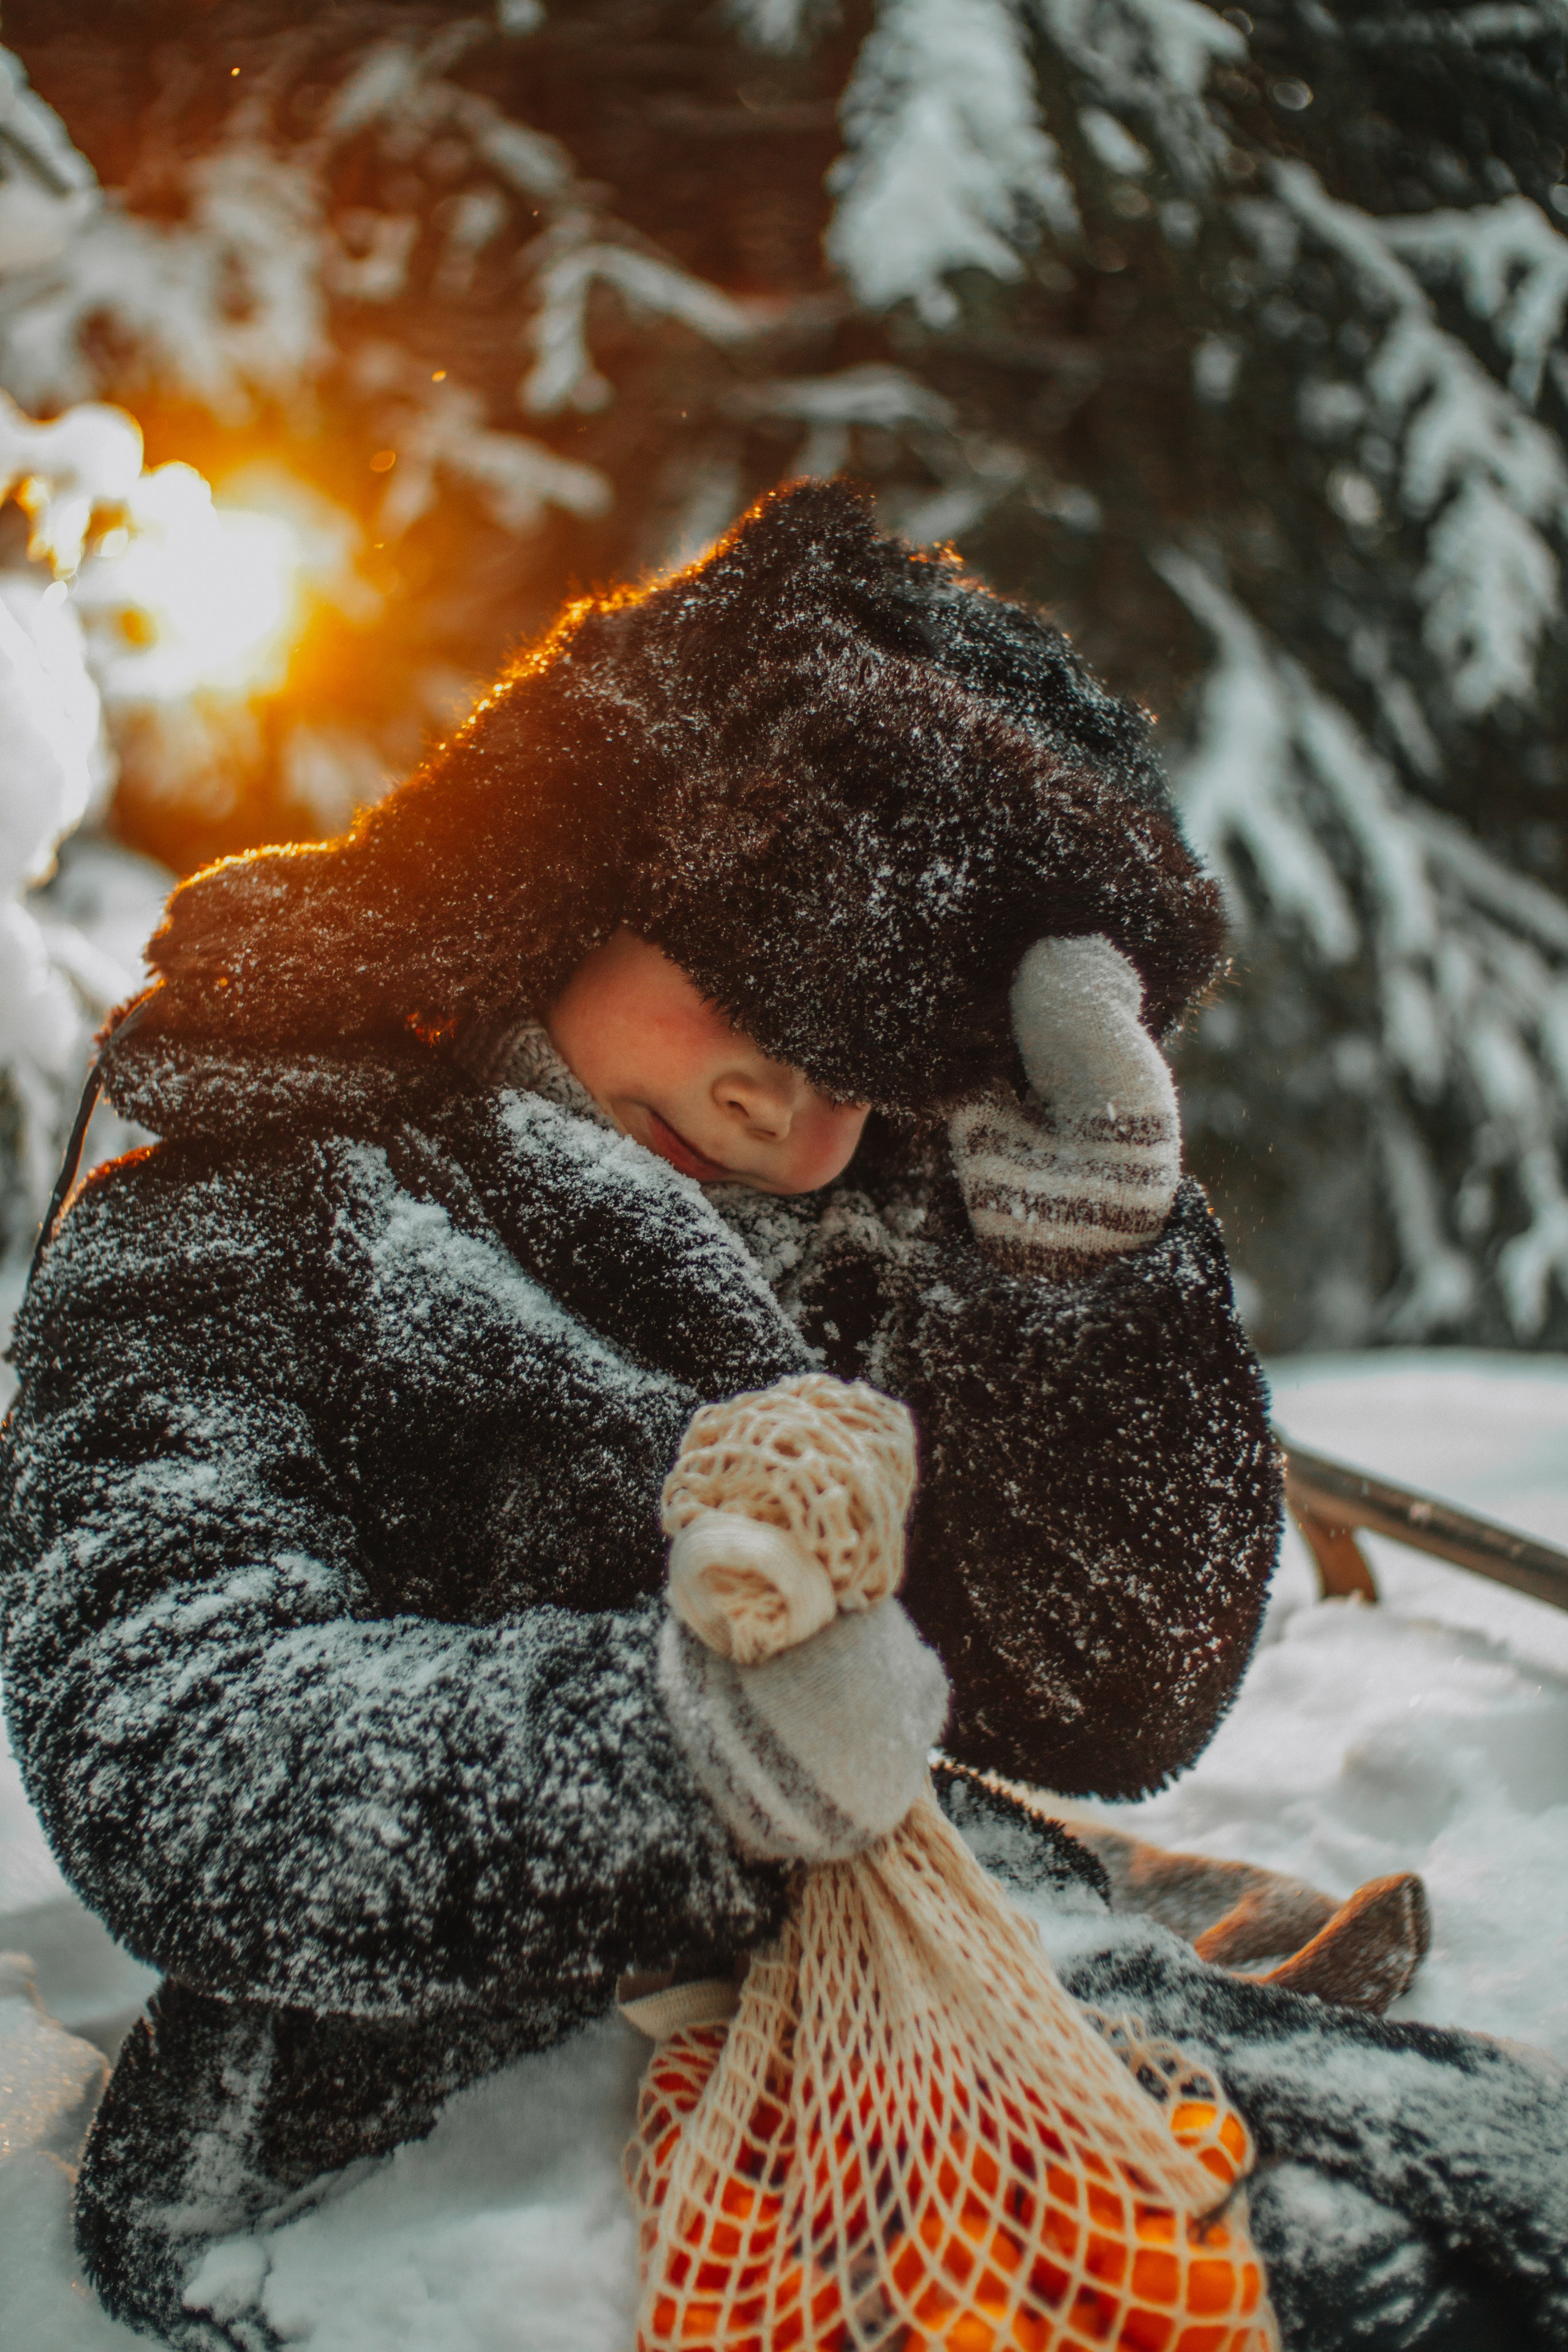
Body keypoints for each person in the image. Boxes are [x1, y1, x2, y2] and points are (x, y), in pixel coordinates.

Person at [2, 482, 1559, 2351]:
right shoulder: (241, 1217)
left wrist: (1077, 1270)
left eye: (863, 1067)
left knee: (1445, 2247)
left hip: (925, 1968)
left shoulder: (865, 1229)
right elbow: (186, 1745)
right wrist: (676, 1752)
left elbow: (1103, 1690)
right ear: (569, 877)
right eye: (742, 989)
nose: (782, 1107)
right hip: (413, 2110)